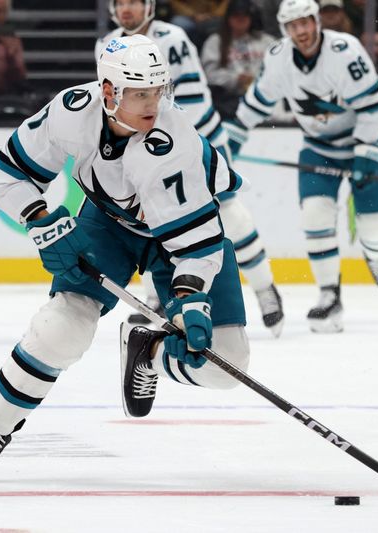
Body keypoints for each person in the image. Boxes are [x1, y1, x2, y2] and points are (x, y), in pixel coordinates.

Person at [0, 35, 252, 481]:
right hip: (107, 223)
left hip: (182, 237)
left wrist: (191, 299)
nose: (151, 104)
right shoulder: (72, 112)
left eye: (156, 91)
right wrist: (40, 220)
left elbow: (197, 246)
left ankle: (150, 349)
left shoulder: (173, 144)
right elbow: (8, 176)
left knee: (227, 366)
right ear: (108, 91)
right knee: (61, 327)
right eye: (138, 93)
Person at [96, 0, 284, 337]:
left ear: (149, 6)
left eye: (134, 2)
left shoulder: (173, 38)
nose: (127, 8)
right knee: (152, 218)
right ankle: (156, 297)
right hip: (145, 147)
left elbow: (194, 99)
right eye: (121, 1)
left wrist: (178, 148)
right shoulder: (106, 44)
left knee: (229, 213)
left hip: (197, 139)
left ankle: (265, 288)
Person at [225, 0, 378, 333]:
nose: (301, 32)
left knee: (375, 231)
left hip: (367, 143)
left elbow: (374, 107)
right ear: (284, 30)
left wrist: (364, 153)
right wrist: (234, 138)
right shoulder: (278, 59)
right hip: (319, 148)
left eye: (305, 23)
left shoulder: (345, 51)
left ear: (317, 22)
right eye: (293, 26)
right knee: (315, 216)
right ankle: (329, 294)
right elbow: (258, 102)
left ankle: (375, 256)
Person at [201, 0, 275, 120]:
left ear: (251, 18)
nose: (240, 20)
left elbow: (280, 69)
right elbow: (209, 75)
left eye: (244, 15)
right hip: (230, 102)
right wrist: (235, 79)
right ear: (228, 18)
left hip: (266, 97)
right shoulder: (215, 42)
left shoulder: (267, 41)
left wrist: (259, 79)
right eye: (236, 16)